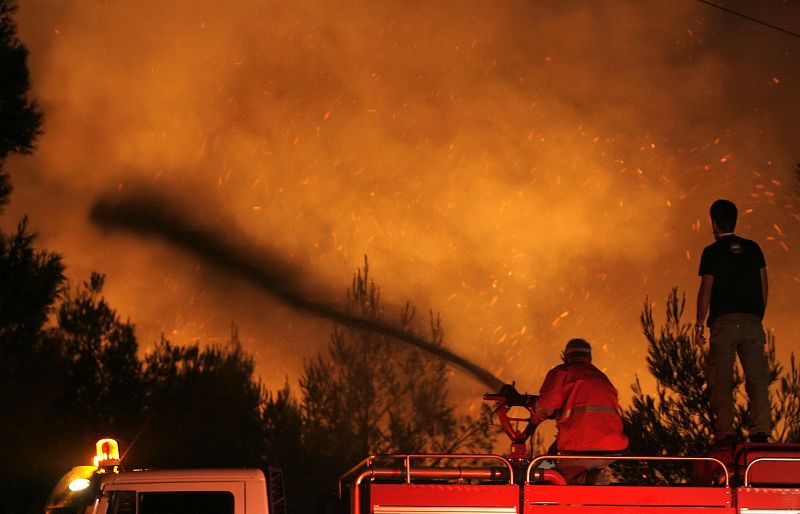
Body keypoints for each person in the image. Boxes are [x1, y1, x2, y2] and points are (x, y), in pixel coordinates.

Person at [695, 199, 770, 445]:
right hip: (751, 321)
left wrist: (698, 325)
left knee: (721, 378)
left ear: (714, 222)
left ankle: (725, 431)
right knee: (757, 378)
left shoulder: (711, 252)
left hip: (724, 323)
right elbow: (763, 284)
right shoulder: (753, 248)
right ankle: (760, 430)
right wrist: (757, 315)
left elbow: (705, 290)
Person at [533, 338, 628, 484]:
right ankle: (595, 476)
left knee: (551, 480)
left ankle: (589, 479)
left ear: (565, 356)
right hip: (613, 448)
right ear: (589, 357)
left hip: (582, 447)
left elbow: (547, 408)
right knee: (560, 468)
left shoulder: (561, 372)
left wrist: (536, 412)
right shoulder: (601, 377)